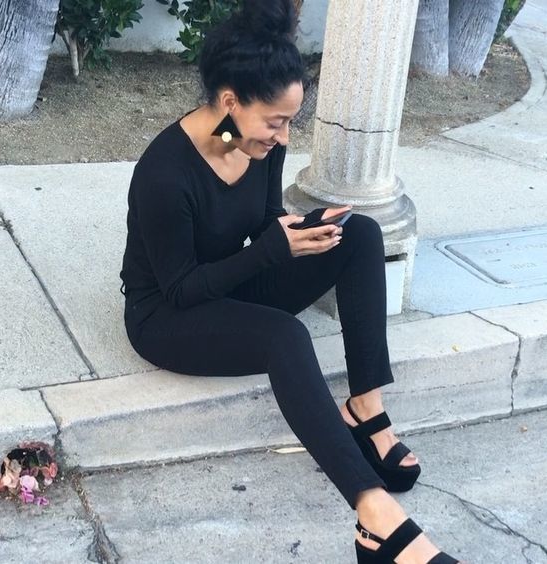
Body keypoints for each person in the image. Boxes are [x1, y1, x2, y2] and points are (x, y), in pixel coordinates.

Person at [119, 1, 460, 562]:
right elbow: (179, 289)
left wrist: (300, 230)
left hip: (225, 285)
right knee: (286, 337)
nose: (283, 136)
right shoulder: (165, 174)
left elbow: (260, 220)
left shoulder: (244, 141)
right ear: (231, 101)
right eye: (275, 121)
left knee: (361, 234)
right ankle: (375, 515)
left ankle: (365, 408)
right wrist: (271, 251)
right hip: (166, 316)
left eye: (289, 122)